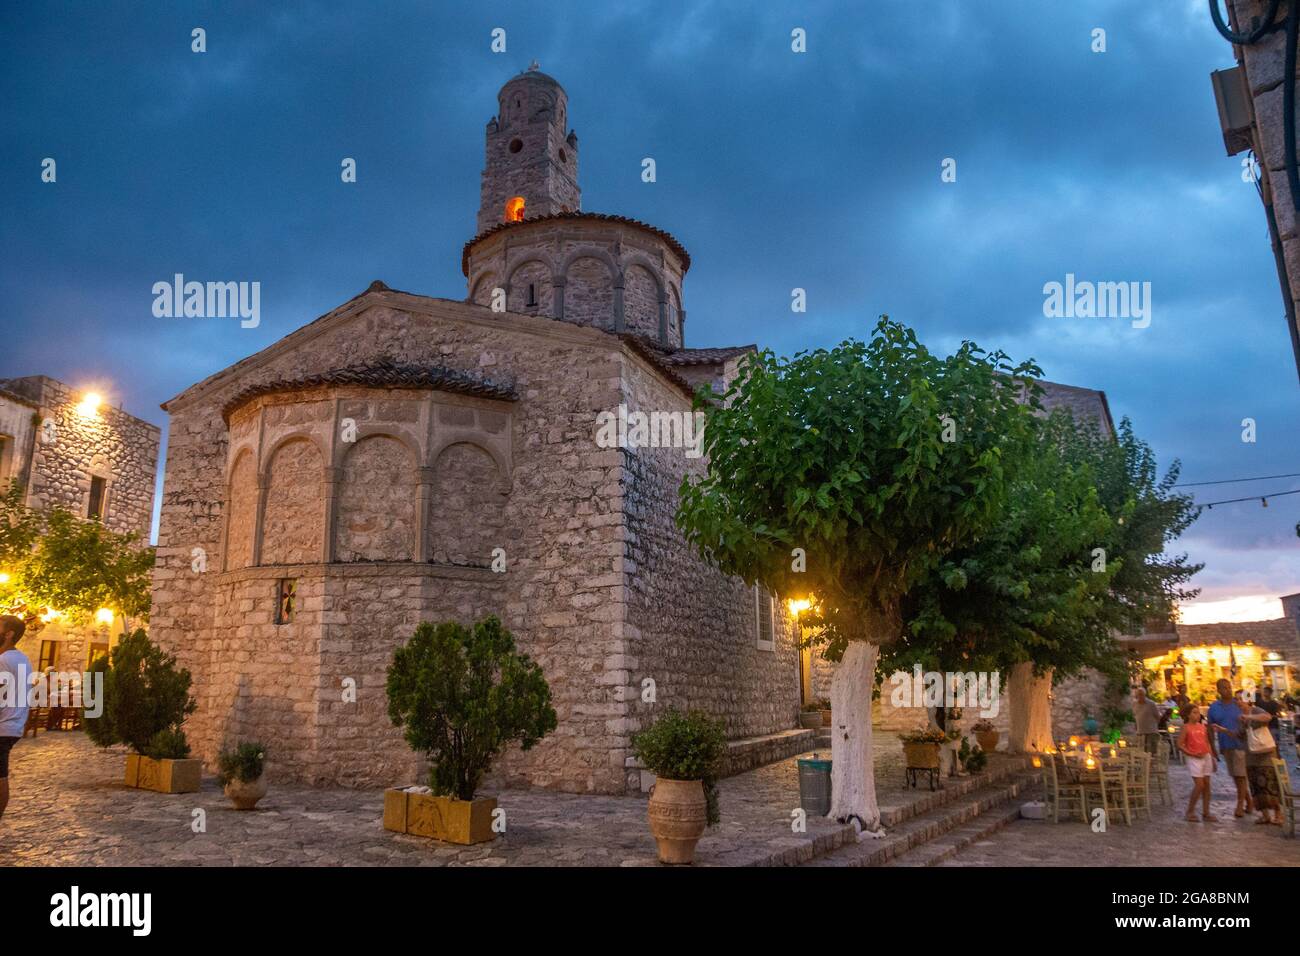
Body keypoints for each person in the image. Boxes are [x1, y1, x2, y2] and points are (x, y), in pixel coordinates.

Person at [0, 614, 31, 821]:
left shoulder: (3, 661)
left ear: (8, 634)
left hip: (3, 725)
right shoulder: (21, 658)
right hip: (14, 725)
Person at [1207, 679, 1253, 818]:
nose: (1228, 690)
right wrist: (1212, 748)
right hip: (1226, 745)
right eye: (1224, 688)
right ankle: (1249, 801)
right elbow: (1210, 728)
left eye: (1229, 687)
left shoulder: (1238, 704)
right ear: (1218, 690)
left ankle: (1240, 805)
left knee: (1240, 775)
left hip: (1241, 745)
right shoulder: (1214, 707)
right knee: (1235, 775)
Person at [1239, 697, 1281, 826]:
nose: (1238, 702)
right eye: (1237, 700)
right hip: (1251, 755)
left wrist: (1250, 717)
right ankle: (1265, 815)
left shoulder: (1256, 710)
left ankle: (1278, 814)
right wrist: (1222, 730)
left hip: (1265, 754)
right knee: (1256, 785)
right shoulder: (1241, 717)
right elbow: (1241, 735)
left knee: (1270, 783)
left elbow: (1267, 717)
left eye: (1240, 699)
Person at [1177, 703, 1217, 822]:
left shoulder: (1202, 727)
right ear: (1188, 715)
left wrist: (1212, 757)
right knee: (1199, 785)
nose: (1197, 714)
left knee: (1207, 785)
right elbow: (1179, 744)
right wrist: (1190, 753)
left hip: (1205, 756)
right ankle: (1190, 811)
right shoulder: (1186, 727)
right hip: (1194, 758)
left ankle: (1206, 812)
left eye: (1198, 712)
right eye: (1194, 712)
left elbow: (1206, 742)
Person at [1132, 686, 1161, 755]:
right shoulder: (1134, 704)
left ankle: (1152, 764)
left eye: (1141, 694)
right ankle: (1145, 765)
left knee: (1151, 752)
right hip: (1140, 731)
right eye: (1138, 694)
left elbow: (1157, 716)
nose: (1140, 696)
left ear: (1145, 695)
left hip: (1151, 731)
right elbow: (1135, 716)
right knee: (1142, 752)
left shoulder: (1151, 704)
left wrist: (1154, 726)